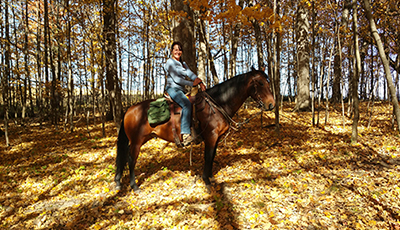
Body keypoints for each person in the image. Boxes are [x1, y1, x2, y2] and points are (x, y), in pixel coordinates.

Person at [165, 41, 206, 146]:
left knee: (196, 103)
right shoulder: (170, 62)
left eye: (179, 49)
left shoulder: (183, 64)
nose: (177, 51)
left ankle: (196, 131)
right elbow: (177, 79)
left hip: (181, 90)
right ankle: (185, 134)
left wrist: (200, 82)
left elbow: (190, 73)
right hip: (172, 89)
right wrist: (192, 83)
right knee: (186, 104)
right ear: (171, 51)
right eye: (175, 49)